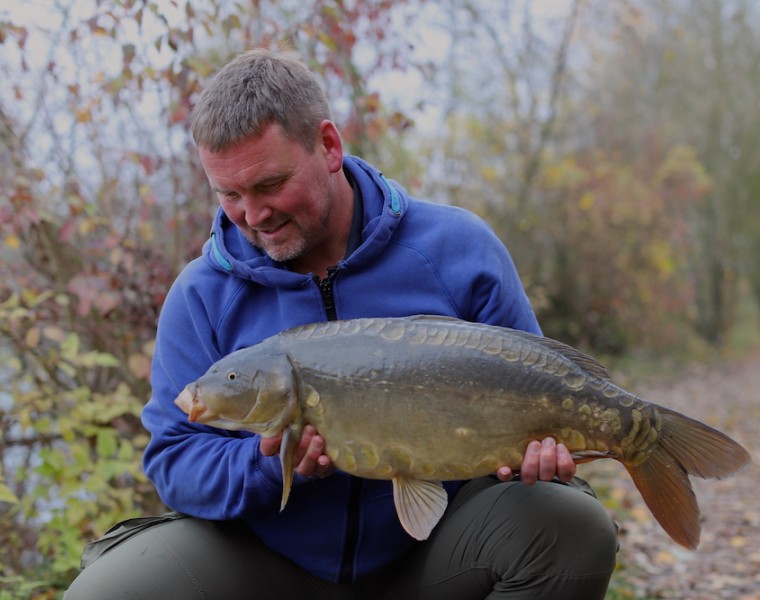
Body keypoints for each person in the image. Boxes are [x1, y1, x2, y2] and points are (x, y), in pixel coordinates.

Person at [65, 48, 618, 599]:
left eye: (270, 184)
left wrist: (541, 453)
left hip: (433, 556)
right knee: (107, 592)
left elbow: (538, 387)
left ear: (328, 146)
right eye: (229, 194)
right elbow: (175, 456)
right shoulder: (201, 295)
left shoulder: (457, 250)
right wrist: (268, 467)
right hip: (267, 563)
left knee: (571, 527)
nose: (253, 215)